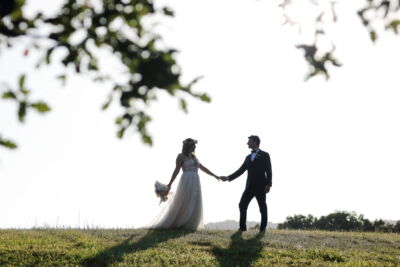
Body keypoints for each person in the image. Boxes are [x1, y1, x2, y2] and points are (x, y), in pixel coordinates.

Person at [150, 138, 220, 230]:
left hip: (195, 181)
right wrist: (170, 183)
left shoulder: (194, 157)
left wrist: (215, 175)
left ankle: (190, 223)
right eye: (193, 145)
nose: (195, 146)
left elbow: (202, 168)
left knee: (194, 201)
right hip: (186, 181)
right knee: (184, 200)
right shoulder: (180, 157)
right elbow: (176, 170)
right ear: (188, 146)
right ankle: (180, 222)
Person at [220, 135, 272, 232]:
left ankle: (262, 229)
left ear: (255, 142)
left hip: (261, 186)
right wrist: (228, 178)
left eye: (249, 141)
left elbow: (269, 171)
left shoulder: (265, 155)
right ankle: (242, 228)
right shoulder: (248, 157)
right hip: (249, 186)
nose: (247, 143)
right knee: (242, 205)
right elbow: (241, 170)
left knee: (262, 207)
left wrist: (268, 184)